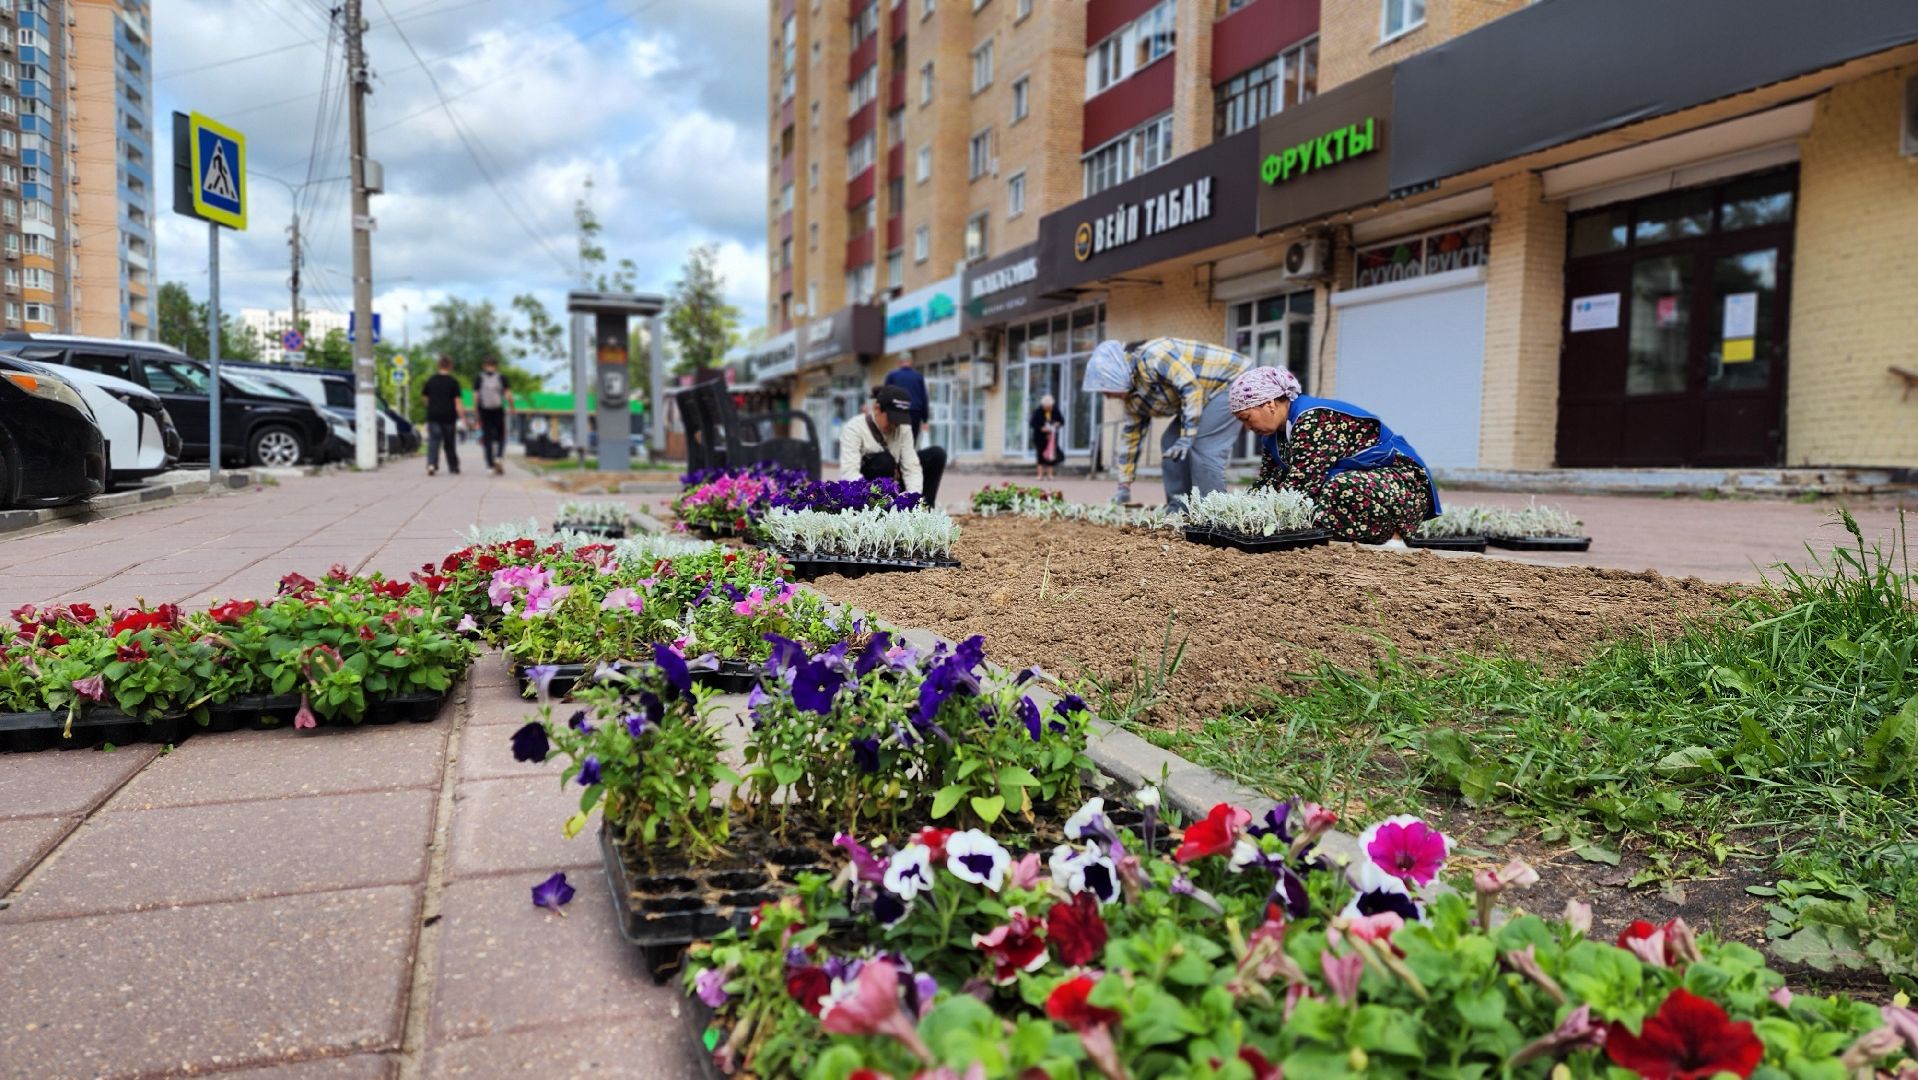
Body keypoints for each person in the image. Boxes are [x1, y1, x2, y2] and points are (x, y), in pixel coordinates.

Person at [1227, 366, 1441, 544]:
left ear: (1269, 404)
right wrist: (1237, 513)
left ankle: (1394, 540)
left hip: (1404, 484)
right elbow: (1268, 482)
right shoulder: (1274, 436)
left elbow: (1303, 482)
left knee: (1336, 488)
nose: (1247, 427)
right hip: (1369, 484)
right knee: (1312, 495)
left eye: (1247, 417)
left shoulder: (1314, 419)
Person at [1082, 338, 1249, 509]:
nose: (1107, 396)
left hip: (1230, 380)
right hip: (1201, 399)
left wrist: (1187, 437)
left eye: (1106, 389)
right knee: (1170, 442)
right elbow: (1131, 439)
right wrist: (1123, 485)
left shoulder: (1154, 355)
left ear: (1116, 373)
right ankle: (1179, 509)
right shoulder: (1132, 401)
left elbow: (1190, 388)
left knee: (1204, 447)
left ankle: (1215, 514)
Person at [839, 385, 946, 504]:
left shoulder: (903, 428)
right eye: (891, 419)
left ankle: (925, 511)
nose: (895, 425)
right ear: (877, 409)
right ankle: (880, 509)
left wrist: (913, 498)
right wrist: (868, 494)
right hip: (866, 488)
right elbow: (849, 473)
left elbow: (911, 467)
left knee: (937, 455)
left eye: (899, 421)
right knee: (885, 461)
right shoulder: (854, 428)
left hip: (894, 481)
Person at [420, 356, 463, 476]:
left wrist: (431, 406)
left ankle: (431, 464)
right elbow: (457, 402)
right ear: (450, 366)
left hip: (433, 415)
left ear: (438, 365)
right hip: (449, 416)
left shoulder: (431, 380)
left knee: (434, 441)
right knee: (449, 442)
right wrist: (462, 416)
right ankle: (453, 467)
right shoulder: (453, 382)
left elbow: (424, 397)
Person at [475, 355, 513, 475]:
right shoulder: (501, 377)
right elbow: (508, 395)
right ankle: (499, 457)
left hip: (484, 410)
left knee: (487, 439)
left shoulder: (479, 378)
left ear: (484, 366)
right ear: (496, 366)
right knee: (502, 435)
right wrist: (512, 407)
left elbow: (475, 396)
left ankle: (489, 467)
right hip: (498, 410)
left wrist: (476, 411)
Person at [882, 356, 930, 441]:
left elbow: (885, 395)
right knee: (911, 440)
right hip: (915, 412)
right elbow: (924, 398)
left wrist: (884, 413)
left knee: (896, 440)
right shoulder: (918, 376)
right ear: (911, 362)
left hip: (897, 412)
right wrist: (925, 419)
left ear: (899, 363)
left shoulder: (892, 376)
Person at [1029, 393, 1064, 480]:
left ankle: (1050, 475)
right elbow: (1032, 423)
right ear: (1043, 405)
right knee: (1040, 455)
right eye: (1046, 406)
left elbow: (1062, 421)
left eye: (1050, 406)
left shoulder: (1055, 410)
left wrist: (1057, 424)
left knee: (1051, 455)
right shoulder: (1038, 411)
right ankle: (1040, 475)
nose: (1049, 408)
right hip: (1040, 436)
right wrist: (1041, 428)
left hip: (1051, 437)